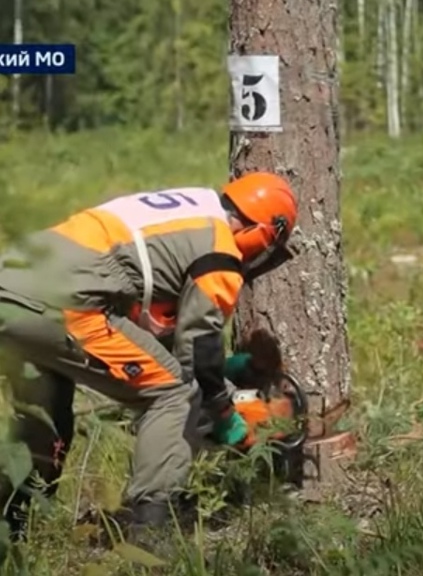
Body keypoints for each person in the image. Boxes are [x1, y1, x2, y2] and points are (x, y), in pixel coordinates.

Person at [0, 172, 297, 540]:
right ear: (264, 232)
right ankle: (150, 530)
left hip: (12, 283)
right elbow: (197, 348)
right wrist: (227, 419)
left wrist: (222, 370)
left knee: (46, 416)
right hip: (63, 305)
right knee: (174, 395)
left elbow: (154, 334)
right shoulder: (220, 251)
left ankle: (9, 526)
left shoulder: (189, 211)